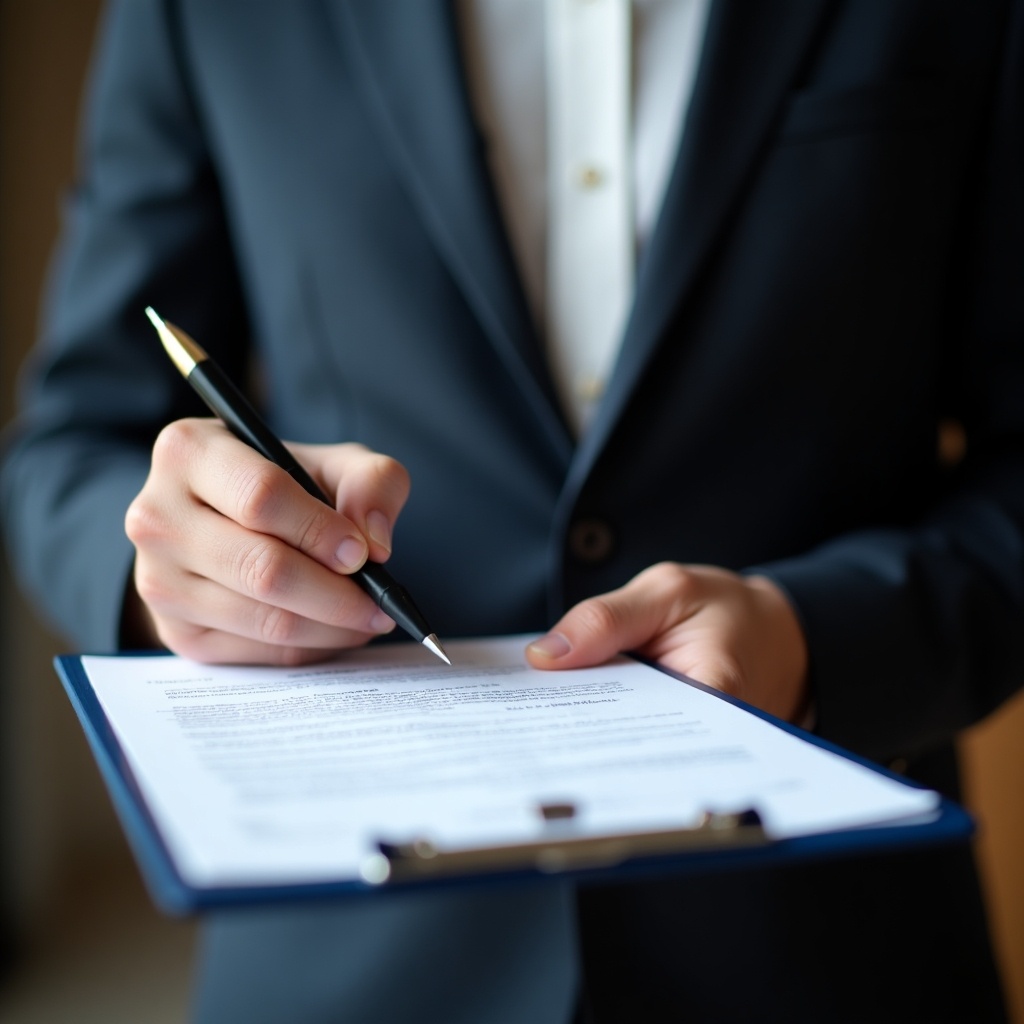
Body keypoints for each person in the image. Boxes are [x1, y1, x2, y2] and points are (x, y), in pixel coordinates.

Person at [3, 1, 1022, 1021]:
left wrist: (813, 637)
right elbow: (69, 448)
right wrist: (171, 572)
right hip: (356, 956)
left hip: (826, 953)